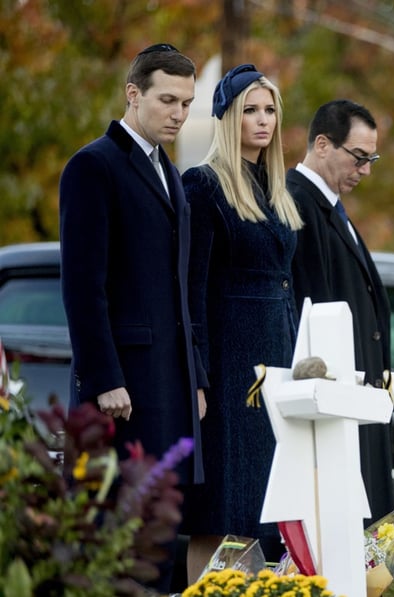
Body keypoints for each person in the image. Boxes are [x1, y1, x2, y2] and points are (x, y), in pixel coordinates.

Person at [58, 43, 205, 592]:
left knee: (160, 542)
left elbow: (179, 288)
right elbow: (81, 285)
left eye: (187, 104)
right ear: (133, 93)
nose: (178, 114)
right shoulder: (92, 166)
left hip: (171, 388)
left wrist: (198, 378)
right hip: (119, 394)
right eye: (168, 99)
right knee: (115, 540)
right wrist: (105, 378)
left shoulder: (170, 173)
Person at [180, 64, 303, 576]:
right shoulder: (203, 185)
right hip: (230, 369)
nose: (262, 120)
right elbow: (193, 291)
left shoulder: (276, 190)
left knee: (262, 511)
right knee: (222, 509)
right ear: (227, 117)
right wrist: (200, 378)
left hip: (276, 361)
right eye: (250, 110)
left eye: (270, 109)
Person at [289, 99, 394, 521]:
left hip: (357, 395)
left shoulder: (330, 206)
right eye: (359, 157)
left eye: (372, 159)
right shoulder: (297, 204)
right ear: (322, 145)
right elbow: (311, 303)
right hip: (333, 397)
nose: (366, 170)